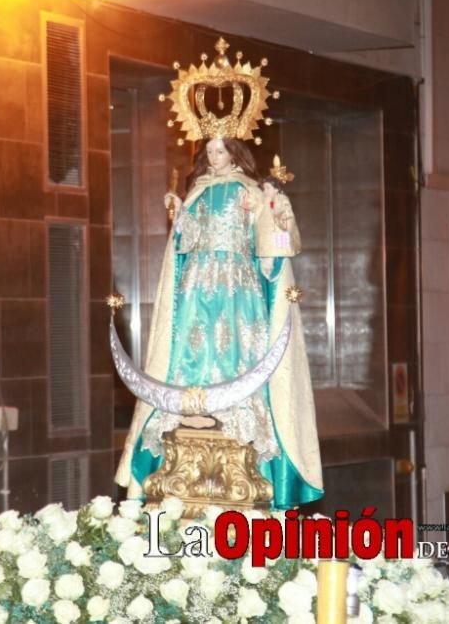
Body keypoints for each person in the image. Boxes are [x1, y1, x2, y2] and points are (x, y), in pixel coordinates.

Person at [114, 136, 323, 509]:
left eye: (220, 151)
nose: (213, 158)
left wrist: (276, 210)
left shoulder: (251, 192)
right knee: (192, 345)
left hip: (237, 283)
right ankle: (194, 409)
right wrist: (180, 214)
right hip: (197, 282)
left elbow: (273, 243)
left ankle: (232, 412)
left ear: (234, 153)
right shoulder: (199, 191)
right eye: (208, 152)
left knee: (235, 345)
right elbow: (186, 241)